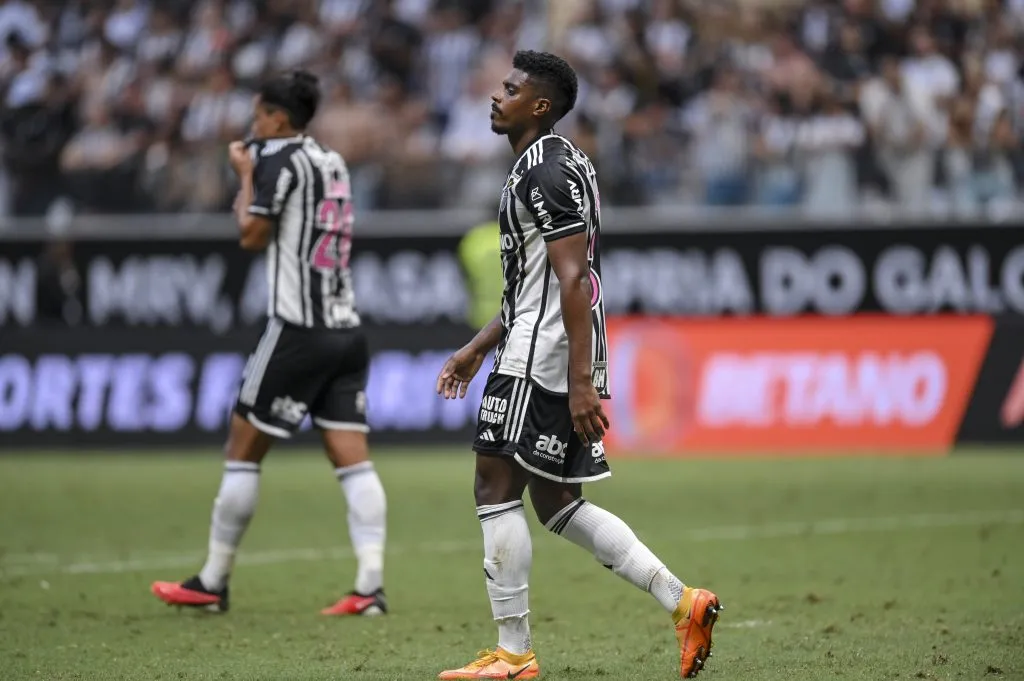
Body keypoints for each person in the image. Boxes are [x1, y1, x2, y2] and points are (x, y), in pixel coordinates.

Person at [434, 51, 722, 680]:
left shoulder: (543, 171)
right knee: (557, 500)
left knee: (493, 485)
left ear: (539, 106)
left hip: (542, 353)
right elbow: (535, 281)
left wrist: (581, 384)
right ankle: (683, 602)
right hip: (537, 342)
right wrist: (478, 346)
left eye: (510, 89)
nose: (496, 96)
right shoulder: (558, 165)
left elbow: (574, 280)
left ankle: (513, 655)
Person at [150, 70, 388, 618]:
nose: (252, 125)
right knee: (352, 461)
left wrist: (244, 177)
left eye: (258, 115)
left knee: (241, 453)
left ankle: (212, 581)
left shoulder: (277, 160)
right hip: (347, 328)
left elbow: (251, 236)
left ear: (279, 118)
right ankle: (370, 587)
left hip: (297, 329)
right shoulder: (332, 160)